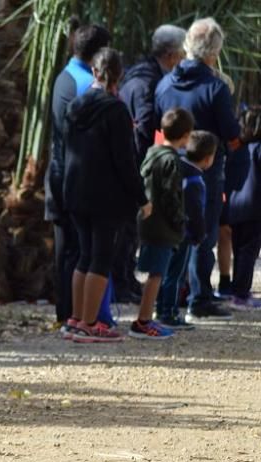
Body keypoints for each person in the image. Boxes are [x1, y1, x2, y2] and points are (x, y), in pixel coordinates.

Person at [61, 48, 149, 344]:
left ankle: (75, 318)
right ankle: (89, 322)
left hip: (75, 190)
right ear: (119, 75)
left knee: (84, 254)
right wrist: (141, 197)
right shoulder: (115, 109)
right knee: (101, 257)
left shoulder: (75, 105)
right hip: (104, 195)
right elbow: (126, 160)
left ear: (94, 71)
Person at [155, 18, 241, 320]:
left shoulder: (164, 83)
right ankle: (199, 297)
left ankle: (170, 296)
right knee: (201, 234)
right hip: (206, 169)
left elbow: (158, 124)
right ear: (214, 52)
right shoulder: (216, 88)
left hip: (168, 168)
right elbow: (232, 134)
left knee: (171, 232)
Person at [45, 23, 111, 330]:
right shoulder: (90, 86)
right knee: (83, 250)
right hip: (79, 178)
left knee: (69, 250)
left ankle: (69, 314)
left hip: (61, 172)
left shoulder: (65, 76)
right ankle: (83, 315)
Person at [115, 24, 186, 301]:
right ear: (171, 55)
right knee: (128, 230)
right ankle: (122, 283)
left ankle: (125, 280)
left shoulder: (137, 74)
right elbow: (144, 125)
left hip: (129, 163)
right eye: (181, 54)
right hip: (135, 165)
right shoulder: (148, 82)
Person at [133, 108, 195, 340]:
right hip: (163, 226)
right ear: (186, 135)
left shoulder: (152, 153)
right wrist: (180, 222)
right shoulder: (171, 161)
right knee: (156, 274)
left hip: (149, 222)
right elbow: (171, 196)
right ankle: (143, 321)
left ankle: (147, 317)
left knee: (154, 272)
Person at [157, 130, 216, 328]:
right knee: (176, 275)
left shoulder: (177, 168)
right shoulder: (196, 180)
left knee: (165, 271)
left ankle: (161, 306)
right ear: (208, 159)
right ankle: (169, 312)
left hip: (168, 228)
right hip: (184, 233)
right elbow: (196, 213)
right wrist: (200, 234)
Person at [228, 112, 261, 309]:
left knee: (238, 248)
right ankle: (241, 292)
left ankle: (237, 288)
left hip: (234, 203)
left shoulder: (237, 148)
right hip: (254, 205)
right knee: (249, 250)